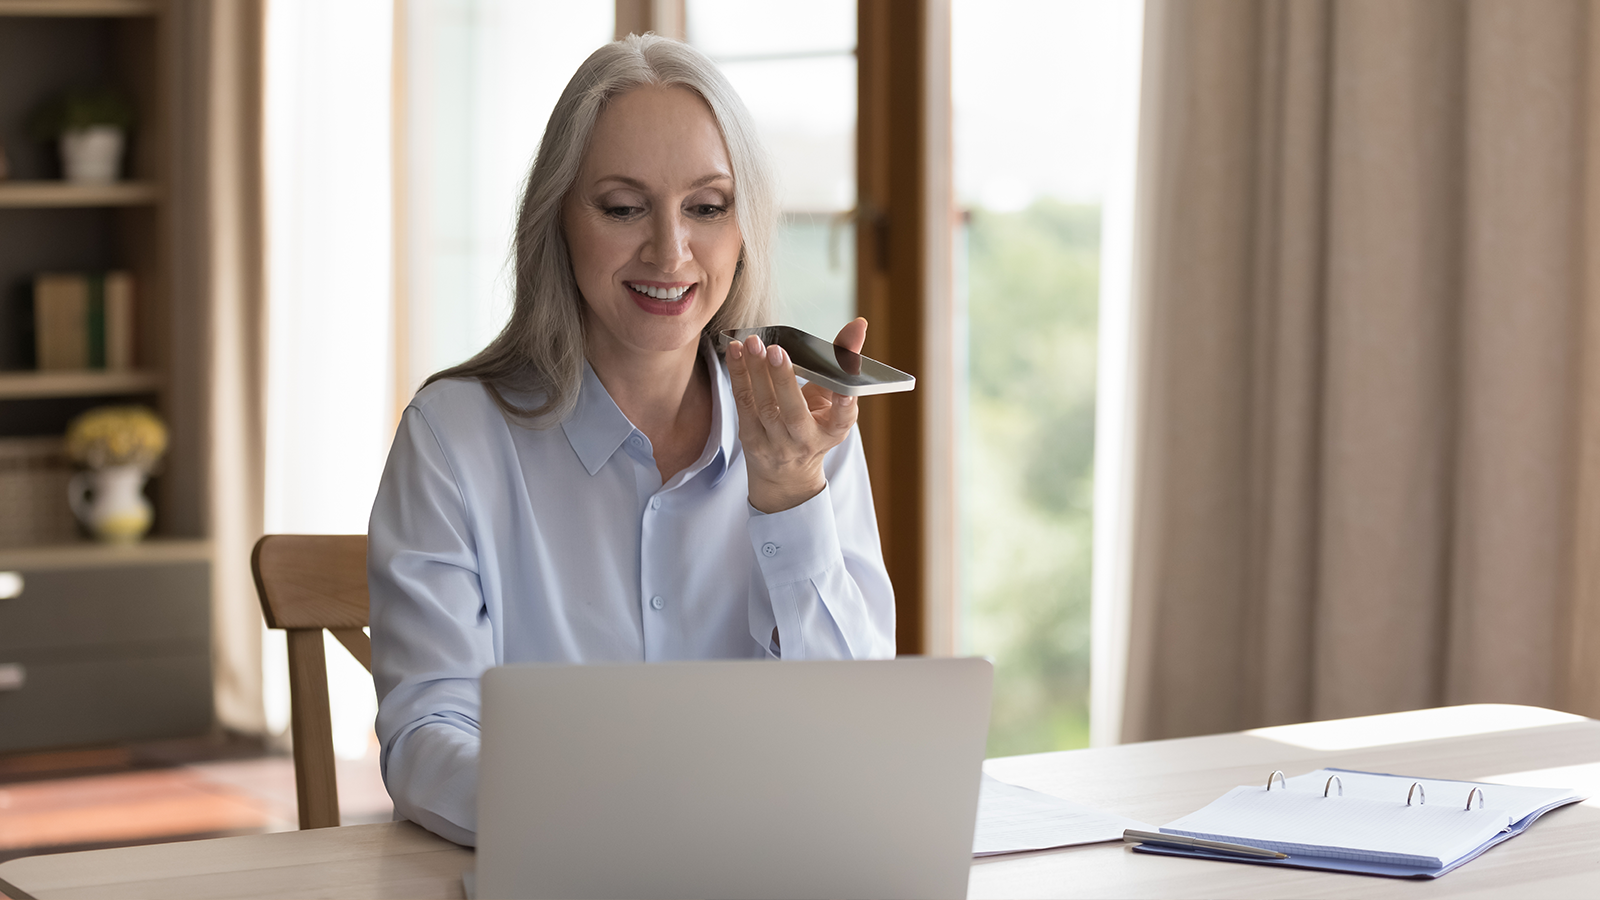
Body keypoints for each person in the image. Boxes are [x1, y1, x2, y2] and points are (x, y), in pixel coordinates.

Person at [367, 34, 896, 847]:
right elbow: (428, 737)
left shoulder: (804, 432)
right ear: (558, 220)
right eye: (622, 207)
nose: (670, 250)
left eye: (707, 207)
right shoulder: (452, 438)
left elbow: (864, 743)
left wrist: (792, 498)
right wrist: (598, 821)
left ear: (743, 226)